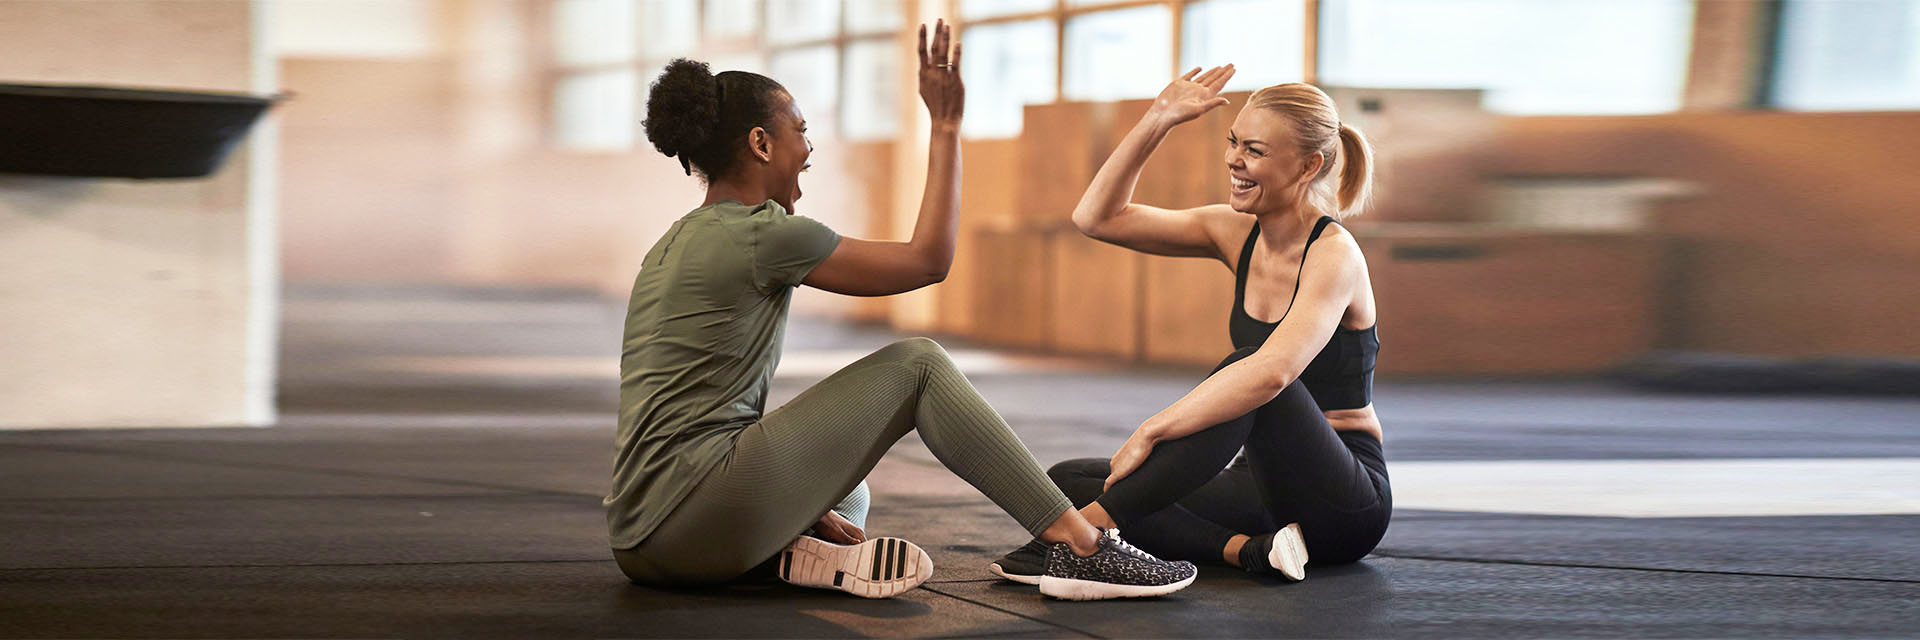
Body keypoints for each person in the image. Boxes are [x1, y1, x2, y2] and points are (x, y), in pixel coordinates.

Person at [607, 21, 1195, 601]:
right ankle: (1081, 546)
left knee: (849, 491)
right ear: (761, 144)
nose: (809, 148)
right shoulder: (766, 235)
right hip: (694, 515)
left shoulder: (672, 243)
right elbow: (928, 262)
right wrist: (945, 126)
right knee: (918, 365)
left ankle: (790, 551)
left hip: (641, 539)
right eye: (801, 131)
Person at [989, 66, 1392, 585]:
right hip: (1258, 489)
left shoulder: (1335, 256)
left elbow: (1272, 373)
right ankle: (1248, 552)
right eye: (1233, 142)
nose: (1233, 160)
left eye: (1255, 150)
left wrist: (1152, 430)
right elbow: (1097, 218)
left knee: (1248, 368)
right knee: (1068, 480)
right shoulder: (1233, 231)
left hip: (1343, 503)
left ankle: (1082, 539)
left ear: (1308, 164)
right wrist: (1159, 118)